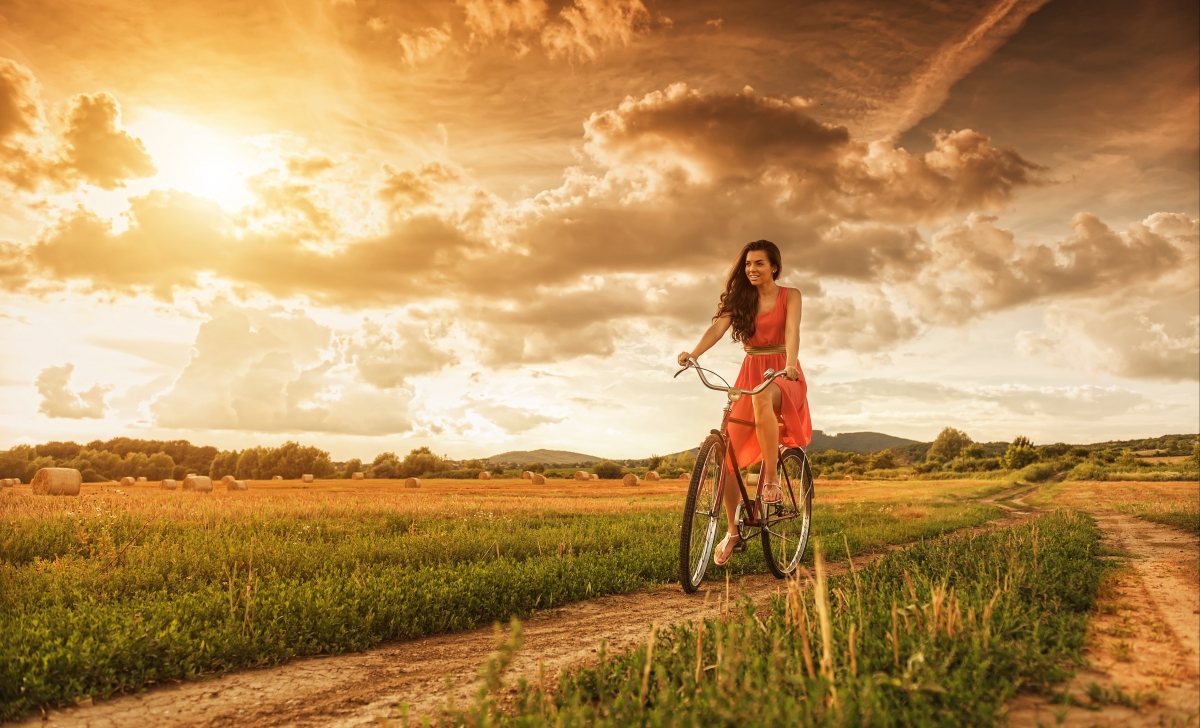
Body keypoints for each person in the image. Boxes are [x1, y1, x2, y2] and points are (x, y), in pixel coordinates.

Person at [676, 240, 813, 566]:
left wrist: (790, 363)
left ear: (774, 267)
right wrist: (693, 354)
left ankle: (770, 479)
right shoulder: (742, 299)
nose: (752, 269)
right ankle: (733, 531)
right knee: (728, 459)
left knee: (764, 397)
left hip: (783, 371)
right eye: (748, 264)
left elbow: (792, 331)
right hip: (749, 370)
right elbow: (718, 328)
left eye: (759, 264)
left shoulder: (790, 295)